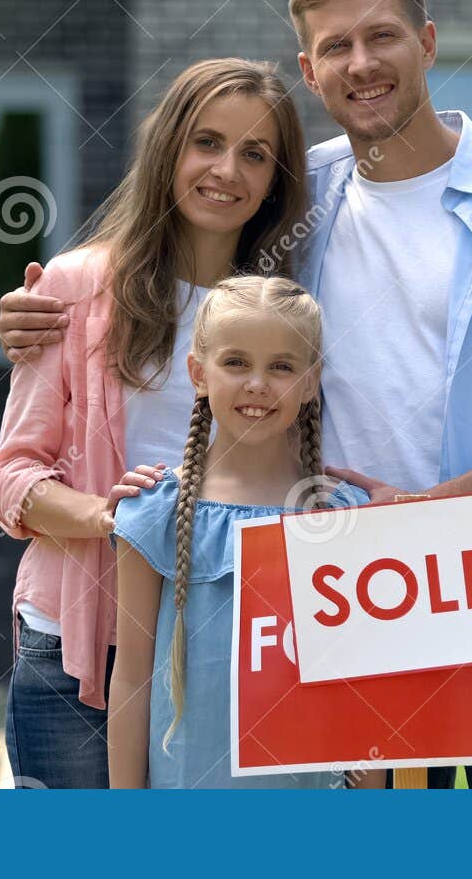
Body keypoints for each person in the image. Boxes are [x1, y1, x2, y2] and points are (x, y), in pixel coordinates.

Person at [0, 0, 472, 788]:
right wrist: (46, 310)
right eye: (336, 47)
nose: (361, 64)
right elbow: (182, 275)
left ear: (429, 42)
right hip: (331, 597)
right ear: (310, 67)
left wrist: (436, 509)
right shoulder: (300, 196)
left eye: (382, 38)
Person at [0, 59, 310, 788]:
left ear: (275, 180)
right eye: (207, 142)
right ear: (168, 149)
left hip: (218, 652)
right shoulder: (72, 289)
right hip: (81, 648)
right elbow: (10, 480)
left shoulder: (282, 312)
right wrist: (119, 519)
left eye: (255, 154)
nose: (227, 170)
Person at [107, 275, 368, 788]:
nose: (257, 384)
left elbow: (365, 691)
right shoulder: (155, 511)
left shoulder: (343, 517)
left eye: (282, 367)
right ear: (198, 373)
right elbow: (132, 680)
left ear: (311, 381)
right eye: (236, 362)